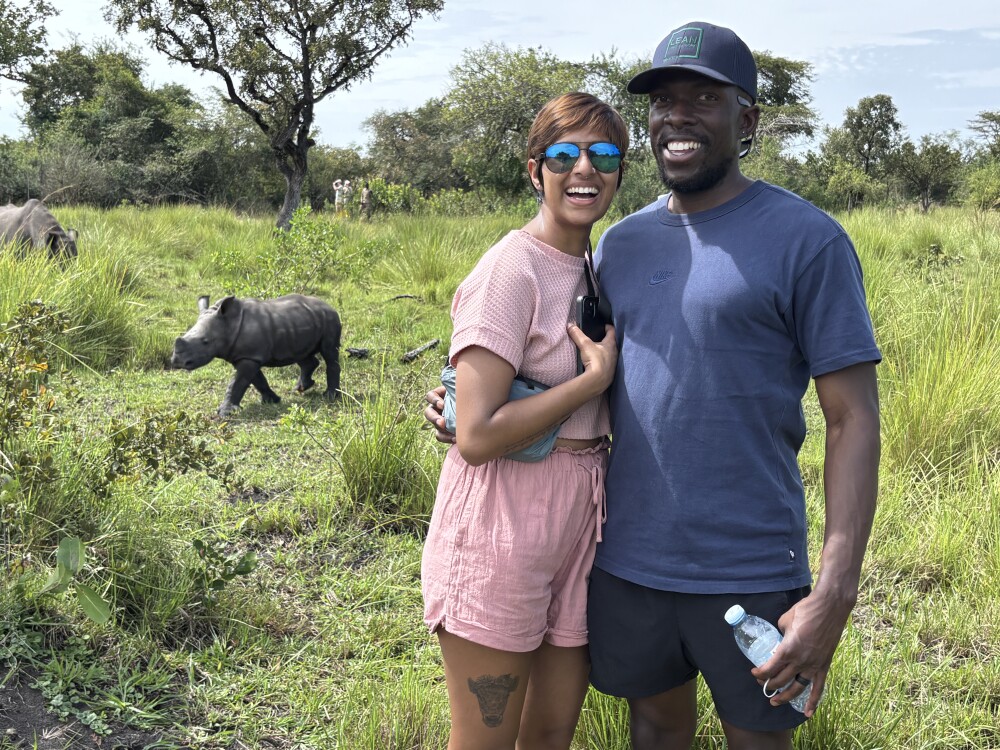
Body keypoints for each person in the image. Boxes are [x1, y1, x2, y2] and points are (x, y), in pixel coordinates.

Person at [425, 21, 881, 750]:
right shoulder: (620, 245)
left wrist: (836, 590)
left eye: (705, 98)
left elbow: (853, 418)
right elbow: (578, 366)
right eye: (664, 100)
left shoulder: (808, 240)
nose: (679, 116)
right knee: (656, 730)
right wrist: (467, 406)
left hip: (751, 565)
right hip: (623, 561)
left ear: (748, 120)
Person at [421, 91, 628, 749]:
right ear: (535, 170)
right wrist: (590, 382)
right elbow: (477, 435)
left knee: (551, 735)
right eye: (564, 155)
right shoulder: (511, 269)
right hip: (503, 520)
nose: (584, 170)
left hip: (580, 518)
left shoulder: (598, 266)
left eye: (604, 156)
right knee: (484, 740)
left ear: (620, 172)